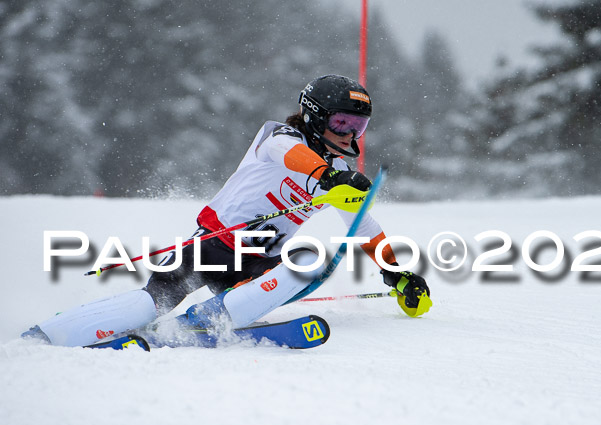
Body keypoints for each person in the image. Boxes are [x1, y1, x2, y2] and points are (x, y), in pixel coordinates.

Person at [23, 74, 431, 347]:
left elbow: (366, 227)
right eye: (342, 123)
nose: (350, 134)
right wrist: (326, 177)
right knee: (150, 303)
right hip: (212, 247)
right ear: (314, 115)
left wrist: (396, 274)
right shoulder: (279, 135)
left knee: (310, 262)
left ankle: (210, 317)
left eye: (358, 127)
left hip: (256, 269)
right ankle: (46, 335)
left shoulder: (341, 172)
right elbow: (288, 154)